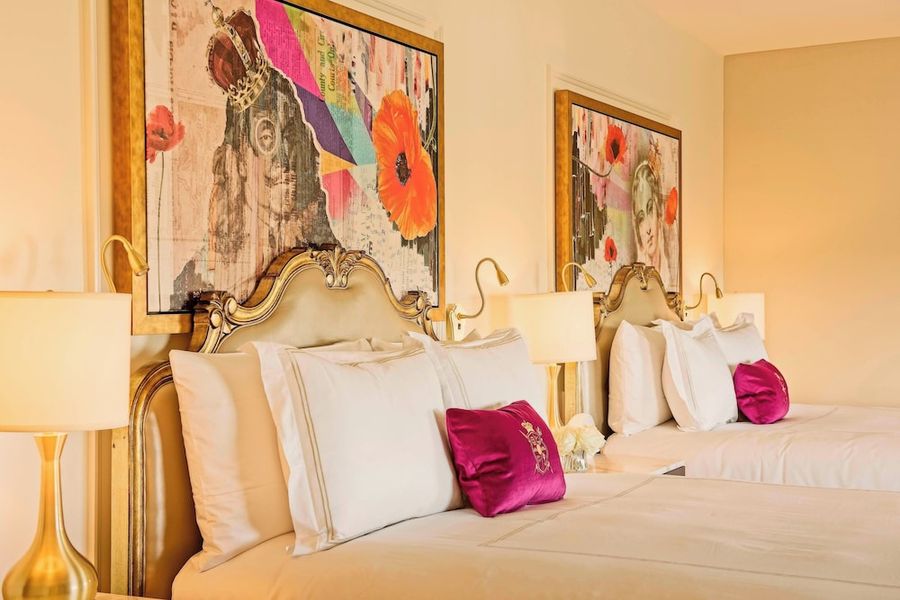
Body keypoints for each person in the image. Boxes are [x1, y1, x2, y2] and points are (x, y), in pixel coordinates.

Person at [630, 161, 671, 283]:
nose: (648, 229)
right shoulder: (635, 282)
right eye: (641, 219)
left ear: (659, 212)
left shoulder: (668, 275)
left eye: (650, 210)